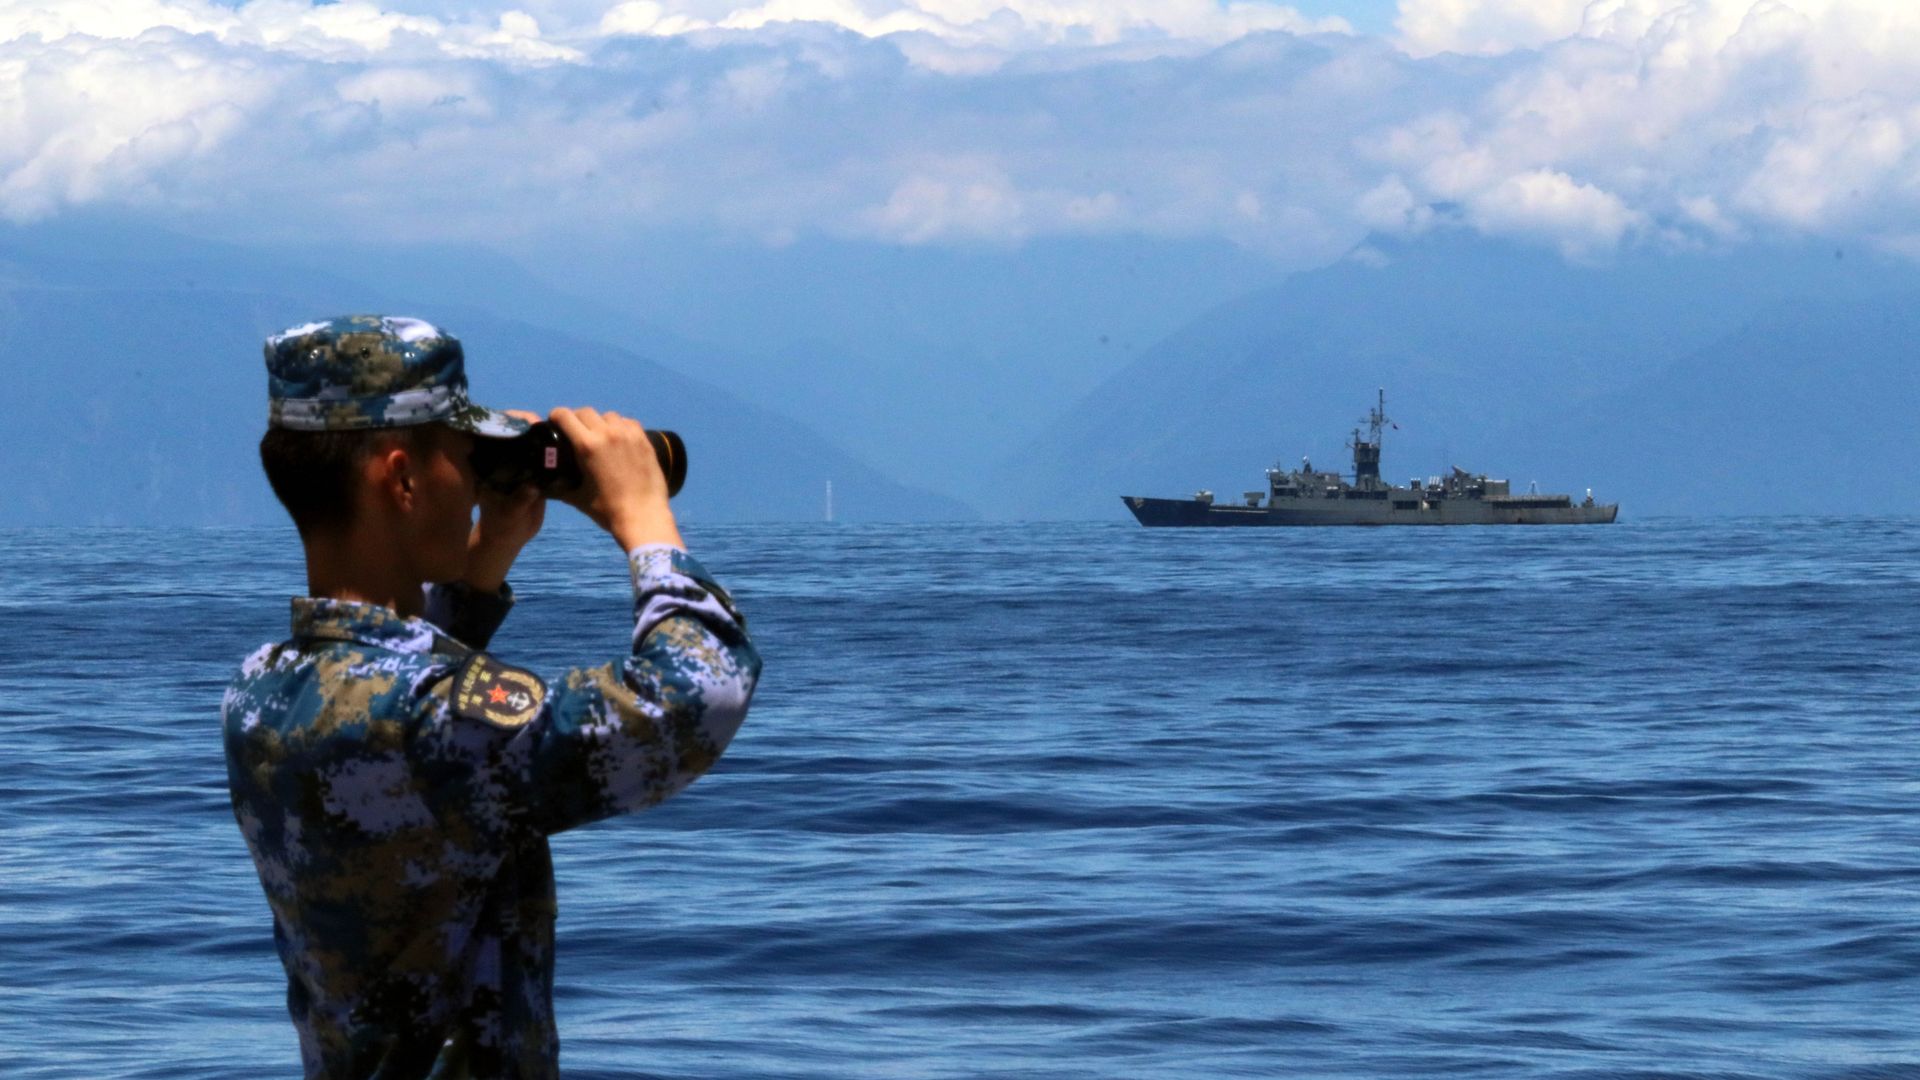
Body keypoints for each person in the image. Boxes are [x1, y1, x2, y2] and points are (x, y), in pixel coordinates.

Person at [222, 315, 761, 1078]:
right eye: (466, 458)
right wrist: (645, 521)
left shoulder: (259, 690)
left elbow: (390, 684)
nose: (477, 482)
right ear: (403, 478)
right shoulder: (433, 722)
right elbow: (694, 697)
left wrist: (485, 561)